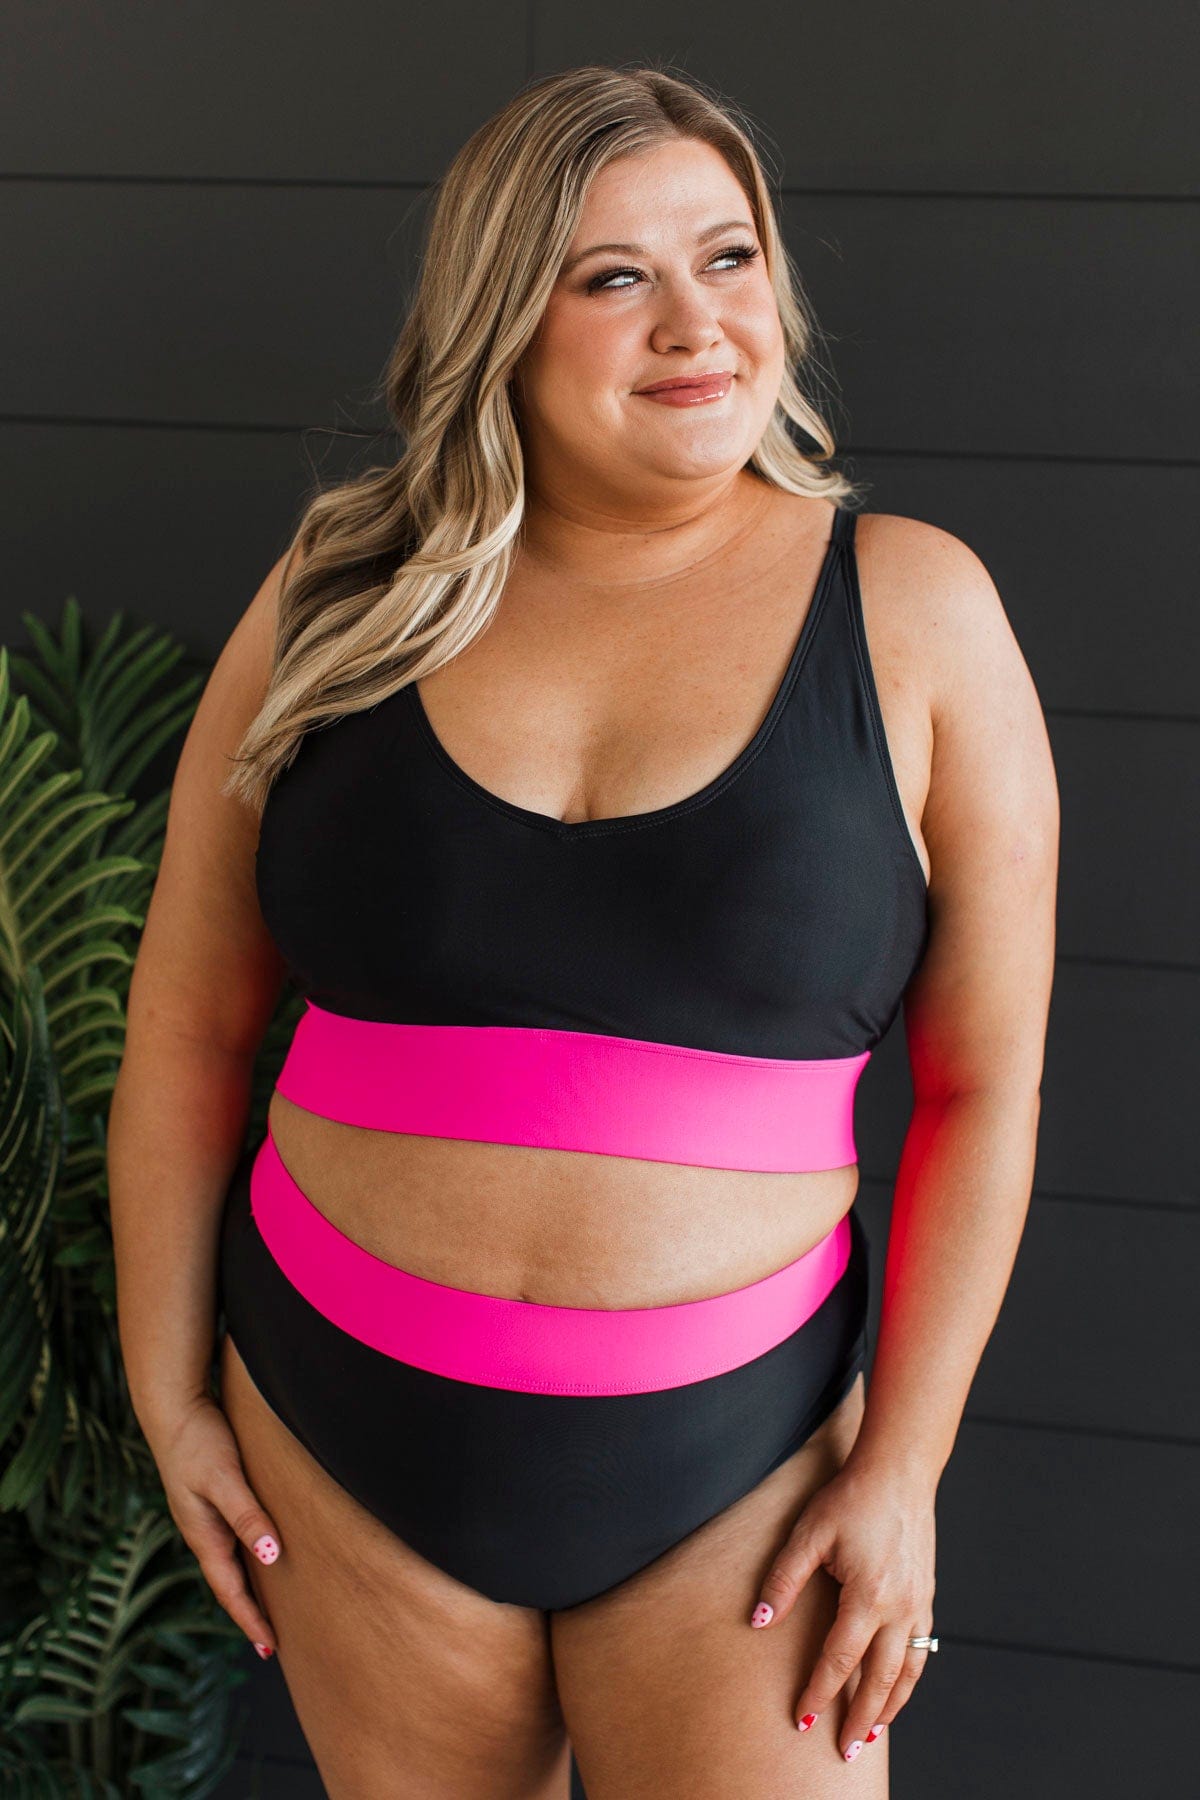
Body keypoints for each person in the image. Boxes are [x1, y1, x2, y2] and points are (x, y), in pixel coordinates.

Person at [108, 63, 1059, 1800]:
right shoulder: (340, 591)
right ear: (502, 318)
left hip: (746, 1471)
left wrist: (903, 1468)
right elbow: (185, 1022)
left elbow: (982, 1088)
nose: (696, 321)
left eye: (729, 255)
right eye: (614, 275)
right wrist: (169, 1392)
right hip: (338, 1438)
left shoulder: (916, 609)